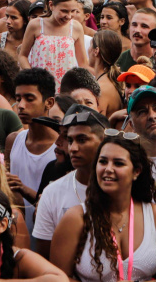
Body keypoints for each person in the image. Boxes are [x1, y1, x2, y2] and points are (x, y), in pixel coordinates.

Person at [50, 130, 156, 282]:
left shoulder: (155, 215)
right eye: (103, 161)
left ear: (136, 171)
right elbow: (56, 278)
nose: (108, 169)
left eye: (118, 163)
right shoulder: (76, 218)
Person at [32, 104, 108, 259]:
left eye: (81, 139)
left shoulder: (123, 189)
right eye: (70, 139)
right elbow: (44, 261)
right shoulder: (52, 193)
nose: (72, 148)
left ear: (104, 140)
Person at [6, 68, 58, 235]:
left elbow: (56, 204)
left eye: (29, 99)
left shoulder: (62, 149)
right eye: (18, 98)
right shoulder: (14, 140)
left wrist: (23, 188)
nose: (21, 106)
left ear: (49, 103)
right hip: (17, 235)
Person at [19, 0, 88, 91]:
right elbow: (23, 56)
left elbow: (83, 63)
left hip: (67, 88)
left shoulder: (76, 27)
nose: (69, 16)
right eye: (64, 11)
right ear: (51, 5)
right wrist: (32, 77)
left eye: (73, 11)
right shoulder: (36, 25)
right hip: (40, 87)